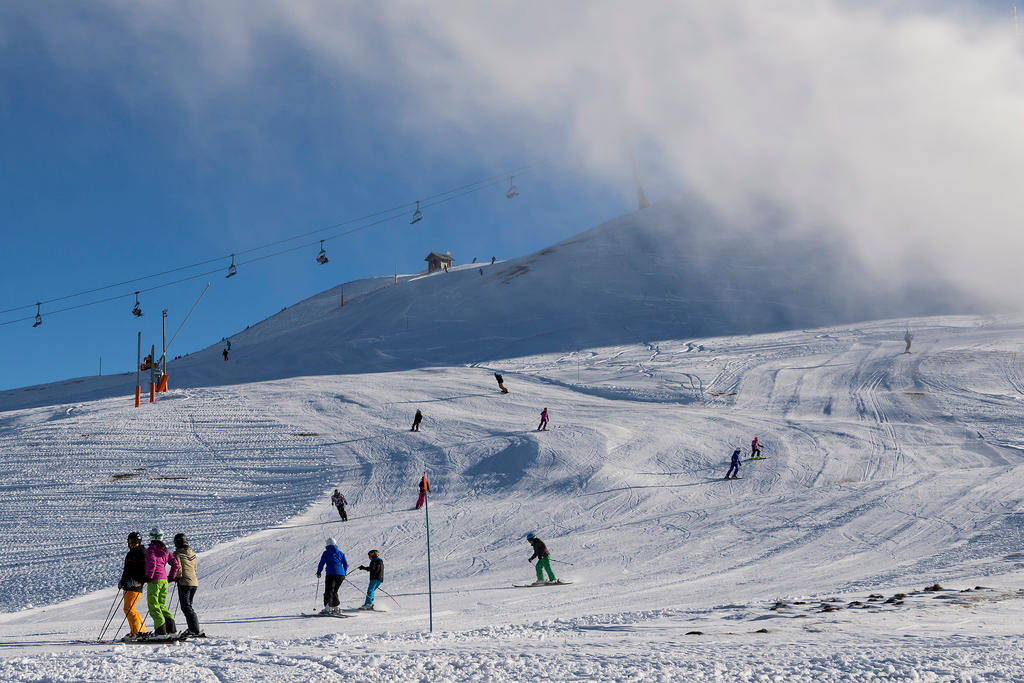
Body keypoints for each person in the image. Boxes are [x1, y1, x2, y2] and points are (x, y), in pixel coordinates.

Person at [144, 528, 179, 636]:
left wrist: (149, 576)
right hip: (164, 580)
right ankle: (171, 629)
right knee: (161, 605)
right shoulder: (165, 550)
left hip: (155, 580)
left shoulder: (151, 550)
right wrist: (171, 576)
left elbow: (153, 563)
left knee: (154, 605)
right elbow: (175, 564)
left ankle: (160, 630)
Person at [118, 531, 148, 640]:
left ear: (139, 542)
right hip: (127, 586)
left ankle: (137, 632)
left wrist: (136, 582)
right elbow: (126, 570)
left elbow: (144, 571)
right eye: (130, 542)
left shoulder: (142, 553)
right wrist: (122, 581)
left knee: (129, 609)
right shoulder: (130, 553)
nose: (132, 544)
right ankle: (139, 631)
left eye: (135, 542)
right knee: (130, 609)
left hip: (135, 586)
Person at [172, 533, 203, 637]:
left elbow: (178, 568)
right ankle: (194, 628)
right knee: (189, 606)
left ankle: (194, 630)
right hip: (194, 582)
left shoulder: (177, 554)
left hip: (184, 582)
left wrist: (176, 577)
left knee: (186, 607)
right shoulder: (192, 554)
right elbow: (195, 569)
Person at [316, 538, 348, 614]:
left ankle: (328, 608)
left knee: (328, 591)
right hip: (341, 575)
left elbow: (322, 563)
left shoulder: (326, 553)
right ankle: (336, 607)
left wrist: (319, 572)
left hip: (331, 574)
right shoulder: (340, 553)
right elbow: (346, 564)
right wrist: (344, 572)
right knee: (334, 591)